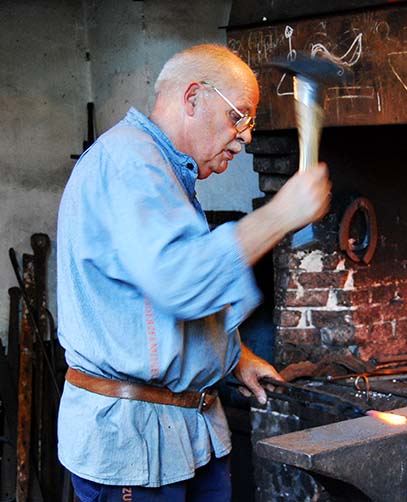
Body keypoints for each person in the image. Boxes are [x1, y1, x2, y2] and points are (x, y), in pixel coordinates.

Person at [56, 44, 331, 500]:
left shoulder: (163, 172)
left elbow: (149, 296)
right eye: (238, 116)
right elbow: (180, 281)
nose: (245, 137)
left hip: (186, 434)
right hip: (137, 448)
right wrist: (280, 214)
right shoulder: (130, 163)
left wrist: (234, 357)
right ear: (192, 99)